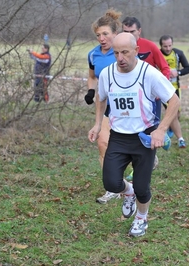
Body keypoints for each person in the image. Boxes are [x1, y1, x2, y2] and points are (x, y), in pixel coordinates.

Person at [88, 32, 180, 237]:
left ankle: (141, 218)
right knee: (111, 183)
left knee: (142, 187)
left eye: (125, 52)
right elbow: (101, 98)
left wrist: (161, 129)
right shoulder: (107, 74)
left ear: (136, 51)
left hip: (144, 137)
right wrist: (96, 124)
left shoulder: (149, 74)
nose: (120, 58)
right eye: (116, 53)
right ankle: (127, 192)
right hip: (119, 136)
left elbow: (174, 101)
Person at [121, 16, 171, 181]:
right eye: (125, 31)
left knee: (148, 131)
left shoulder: (149, 47)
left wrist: (157, 90)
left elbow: (165, 68)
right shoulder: (120, 48)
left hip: (150, 101)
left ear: (139, 31)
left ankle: (141, 167)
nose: (128, 35)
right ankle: (150, 158)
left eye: (132, 32)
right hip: (128, 99)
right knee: (132, 134)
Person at [83, 8, 123, 204]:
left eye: (105, 34)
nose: (101, 38)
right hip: (106, 107)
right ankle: (113, 188)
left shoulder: (123, 53)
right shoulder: (93, 55)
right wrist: (91, 91)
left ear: (115, 34)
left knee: (131, 147)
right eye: (98, 35)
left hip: (127, 107)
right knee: (102, 144)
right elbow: (92, 77)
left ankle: (149, 156)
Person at [159, 35, 189, 148]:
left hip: (175, 87)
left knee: (177, 113)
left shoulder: (178, 53)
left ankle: (171, 127)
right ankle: (181, 139)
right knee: (171, 111)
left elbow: (188, 68)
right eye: (165, 46)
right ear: (161, 46)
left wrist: (178, 73)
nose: (167, 48)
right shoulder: (158, 54)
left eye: (169, 45)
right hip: (162, 88)